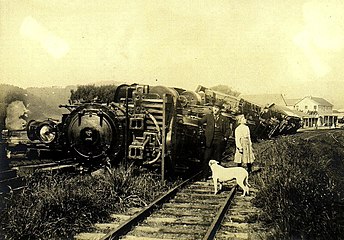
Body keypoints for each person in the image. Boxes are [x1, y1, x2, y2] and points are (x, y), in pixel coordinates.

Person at [199, 101, 231, 180]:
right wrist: (201, 131)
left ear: (220, 110)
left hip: (219, 142)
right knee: (206, 158)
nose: (215, 109)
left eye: (217, 108)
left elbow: (228, 130)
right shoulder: (208, 117)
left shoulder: (224, 119)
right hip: (209, 141)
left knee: (217, 159)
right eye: (214, 107)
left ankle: (218, 177)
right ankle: (204, 176)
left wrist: (225, 137)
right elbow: (199, 122)